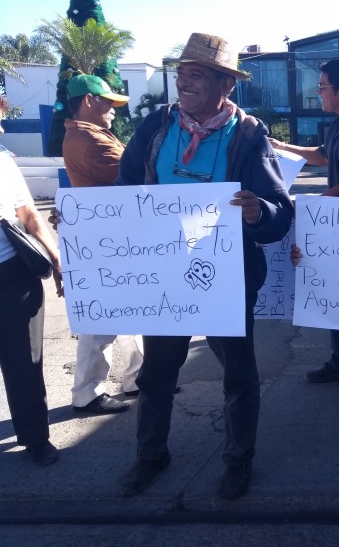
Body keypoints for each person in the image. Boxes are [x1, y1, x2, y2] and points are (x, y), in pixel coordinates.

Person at [115, 33, 293, 500]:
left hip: (225, 278)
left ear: (224, 85)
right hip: (165, 275)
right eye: (181, 72)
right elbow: (125, 189)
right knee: (156, 374)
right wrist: (82, 222)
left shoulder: (249, 136)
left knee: (238, 375)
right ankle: (151, 456)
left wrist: (260, 212)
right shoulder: (156, 127)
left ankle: (238, 462)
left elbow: (280, 208)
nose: (184, 80)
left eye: (197, 74)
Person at [270, 58, 339, 407]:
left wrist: (305, 204)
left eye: (321, 87)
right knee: (335, 296)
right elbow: (322, 156)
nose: (317, 92)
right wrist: (280, 146)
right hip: (336, 226)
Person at [62, 74, 142, 415]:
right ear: (88, 101)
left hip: (112, 236)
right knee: (102, 318)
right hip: (104, 240)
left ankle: (139, 377)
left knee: (131, 311)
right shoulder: (88, 140)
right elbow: (135, 173)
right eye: (107, 102)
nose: (113, 110)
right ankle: (87, 393)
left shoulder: (90, 135)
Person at [0, 95, 64, 466]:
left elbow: (28, 214)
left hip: (13, 275)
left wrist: (56, 259)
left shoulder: (4, 161)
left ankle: (36, 438)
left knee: (25, 361)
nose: (3, 127)